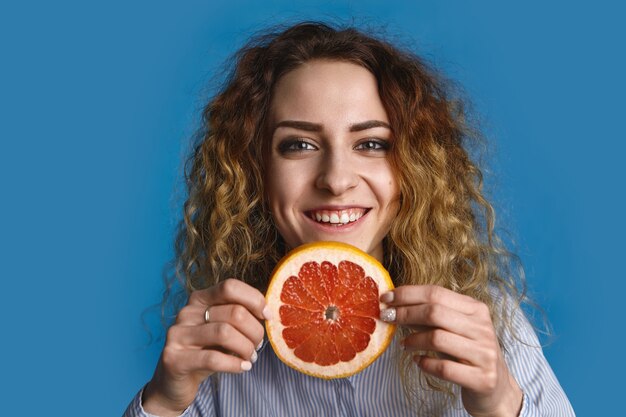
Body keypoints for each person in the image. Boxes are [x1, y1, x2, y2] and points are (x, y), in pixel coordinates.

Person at [124, 22, 574, 417]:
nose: (336, 180)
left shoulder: (487, 324)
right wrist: (164, 403)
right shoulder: (214, 344)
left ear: (414, 168)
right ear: (254, 169)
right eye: (298, 144)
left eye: (372, 144)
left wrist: (501, 405)